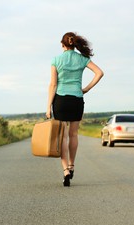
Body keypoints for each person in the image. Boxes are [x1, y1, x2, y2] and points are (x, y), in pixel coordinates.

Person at [46, 32, 104, 187]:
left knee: (63, 136)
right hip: (76, 99)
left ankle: (65, 170)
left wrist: (47, 108)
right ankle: (72, 166)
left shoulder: (56, 60)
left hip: (60, 101)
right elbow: (100, 73)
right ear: (75, 44)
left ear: (62, 44)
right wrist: (86, 89)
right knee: (73, 134)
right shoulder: (82, 58)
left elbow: (53, 85)